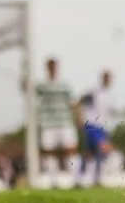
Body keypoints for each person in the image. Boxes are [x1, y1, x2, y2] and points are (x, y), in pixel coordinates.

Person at [34, 57, 80, 188]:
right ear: (47, 68)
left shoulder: (65, 85)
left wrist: (78, 118)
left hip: (65, 122)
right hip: (48, 123)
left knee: (71, 150)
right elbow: (29, 92)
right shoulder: (41, 86)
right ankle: (53, 182)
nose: (53, 69)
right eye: (50, 66)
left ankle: (75, 180)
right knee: (49, 152)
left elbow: (73, 103)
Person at [79, 69, 118, 187]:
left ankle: (92, 179)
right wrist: (79, 118)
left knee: (93, 153)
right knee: (101, 149)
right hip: (91, 125)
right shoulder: (94, 91)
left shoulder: (109, 95)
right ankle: (84, 178)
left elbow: (110, 111)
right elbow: (80, 101)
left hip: (102, 127)